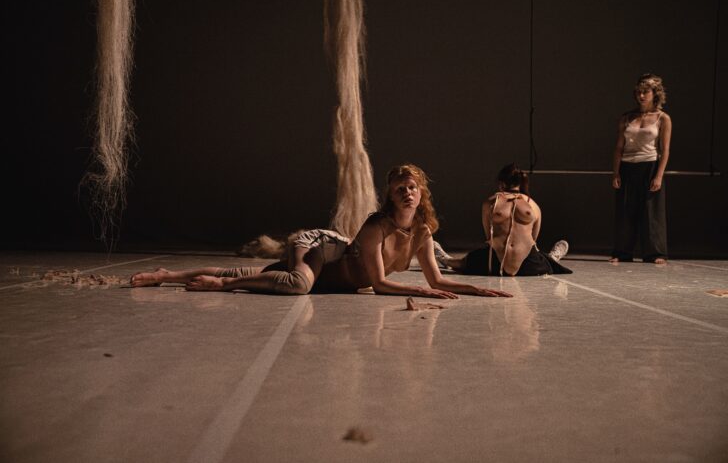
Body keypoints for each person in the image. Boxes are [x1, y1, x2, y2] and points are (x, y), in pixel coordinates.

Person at [131, 164, 511, 299]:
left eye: (412, 187)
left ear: (421, 192)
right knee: (298, 284)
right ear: (390, 196)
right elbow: (379, 284)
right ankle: (223, 286)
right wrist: (421, 292)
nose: (407, 193)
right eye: (399, 189)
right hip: (321, 247)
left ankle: (167, 275)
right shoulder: (377, 226)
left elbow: (436, 279)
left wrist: (477, 290)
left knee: (256, 273)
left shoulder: (423, 233)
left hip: (329, 272)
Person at [433, 163, 571, 276]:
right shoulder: (533, 205)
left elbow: (488, 236)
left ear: (501, 184)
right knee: (544, 261)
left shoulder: (489, 203)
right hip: (526, 266)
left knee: (463, 263)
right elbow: (534, 239)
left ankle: (447, 260)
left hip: (498, 262)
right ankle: (551, 259)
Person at [610, 73, 672, 264]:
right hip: (627, 167)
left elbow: (665, 150)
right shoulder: (627, 117)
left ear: (655, 94)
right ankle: (622, 252)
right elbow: (619, 147)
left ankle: (655, 253)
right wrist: (616, 172)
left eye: (646, 92)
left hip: (650, 166)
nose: (641, 96)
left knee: (651, 212)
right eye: (639, 92)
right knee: (626, 210)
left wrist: (658, 176)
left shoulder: (663, 118)